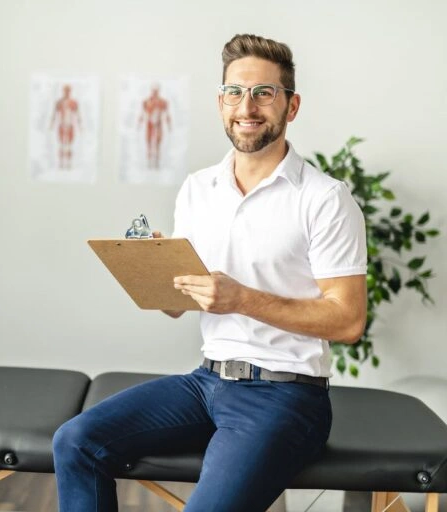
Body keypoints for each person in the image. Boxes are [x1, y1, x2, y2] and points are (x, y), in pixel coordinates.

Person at [53, 33, 367, 512]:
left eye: (264, 92)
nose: (248, 106)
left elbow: (347, 321)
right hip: (206, 382)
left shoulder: (325, 199)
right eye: (234, 92)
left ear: (292, 105)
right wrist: (157, 271)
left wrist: (241, 299)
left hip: (286, 396)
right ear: (220, 103)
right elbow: (179, 308)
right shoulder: (198, 188)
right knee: (75, 441)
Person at [137, 84, 172, 169]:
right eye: (153, 90)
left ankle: (157, 162)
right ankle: (149, 161)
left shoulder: (163, 102)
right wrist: (139, 123)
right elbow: (142, 114)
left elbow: (167, 114)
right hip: (149, 123)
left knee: (158, 142)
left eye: (156, 91)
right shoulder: (146, 101)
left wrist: (169, 125)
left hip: (158, 123)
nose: (155, 92)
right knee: (149, 141)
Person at [50, 84, 81, 169]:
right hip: (62, 125)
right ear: (63, 91)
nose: (67, 92)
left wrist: (80, 126)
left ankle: (69, 164)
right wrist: (52, 124)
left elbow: (78, 115)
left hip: (70, 125)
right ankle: (61, 163)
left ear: (70, 91)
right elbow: (54, 114)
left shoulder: (73, 102)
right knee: (61, 144)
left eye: (68, 90)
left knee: (69, 145)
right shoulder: (59, 102)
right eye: (65, 90)